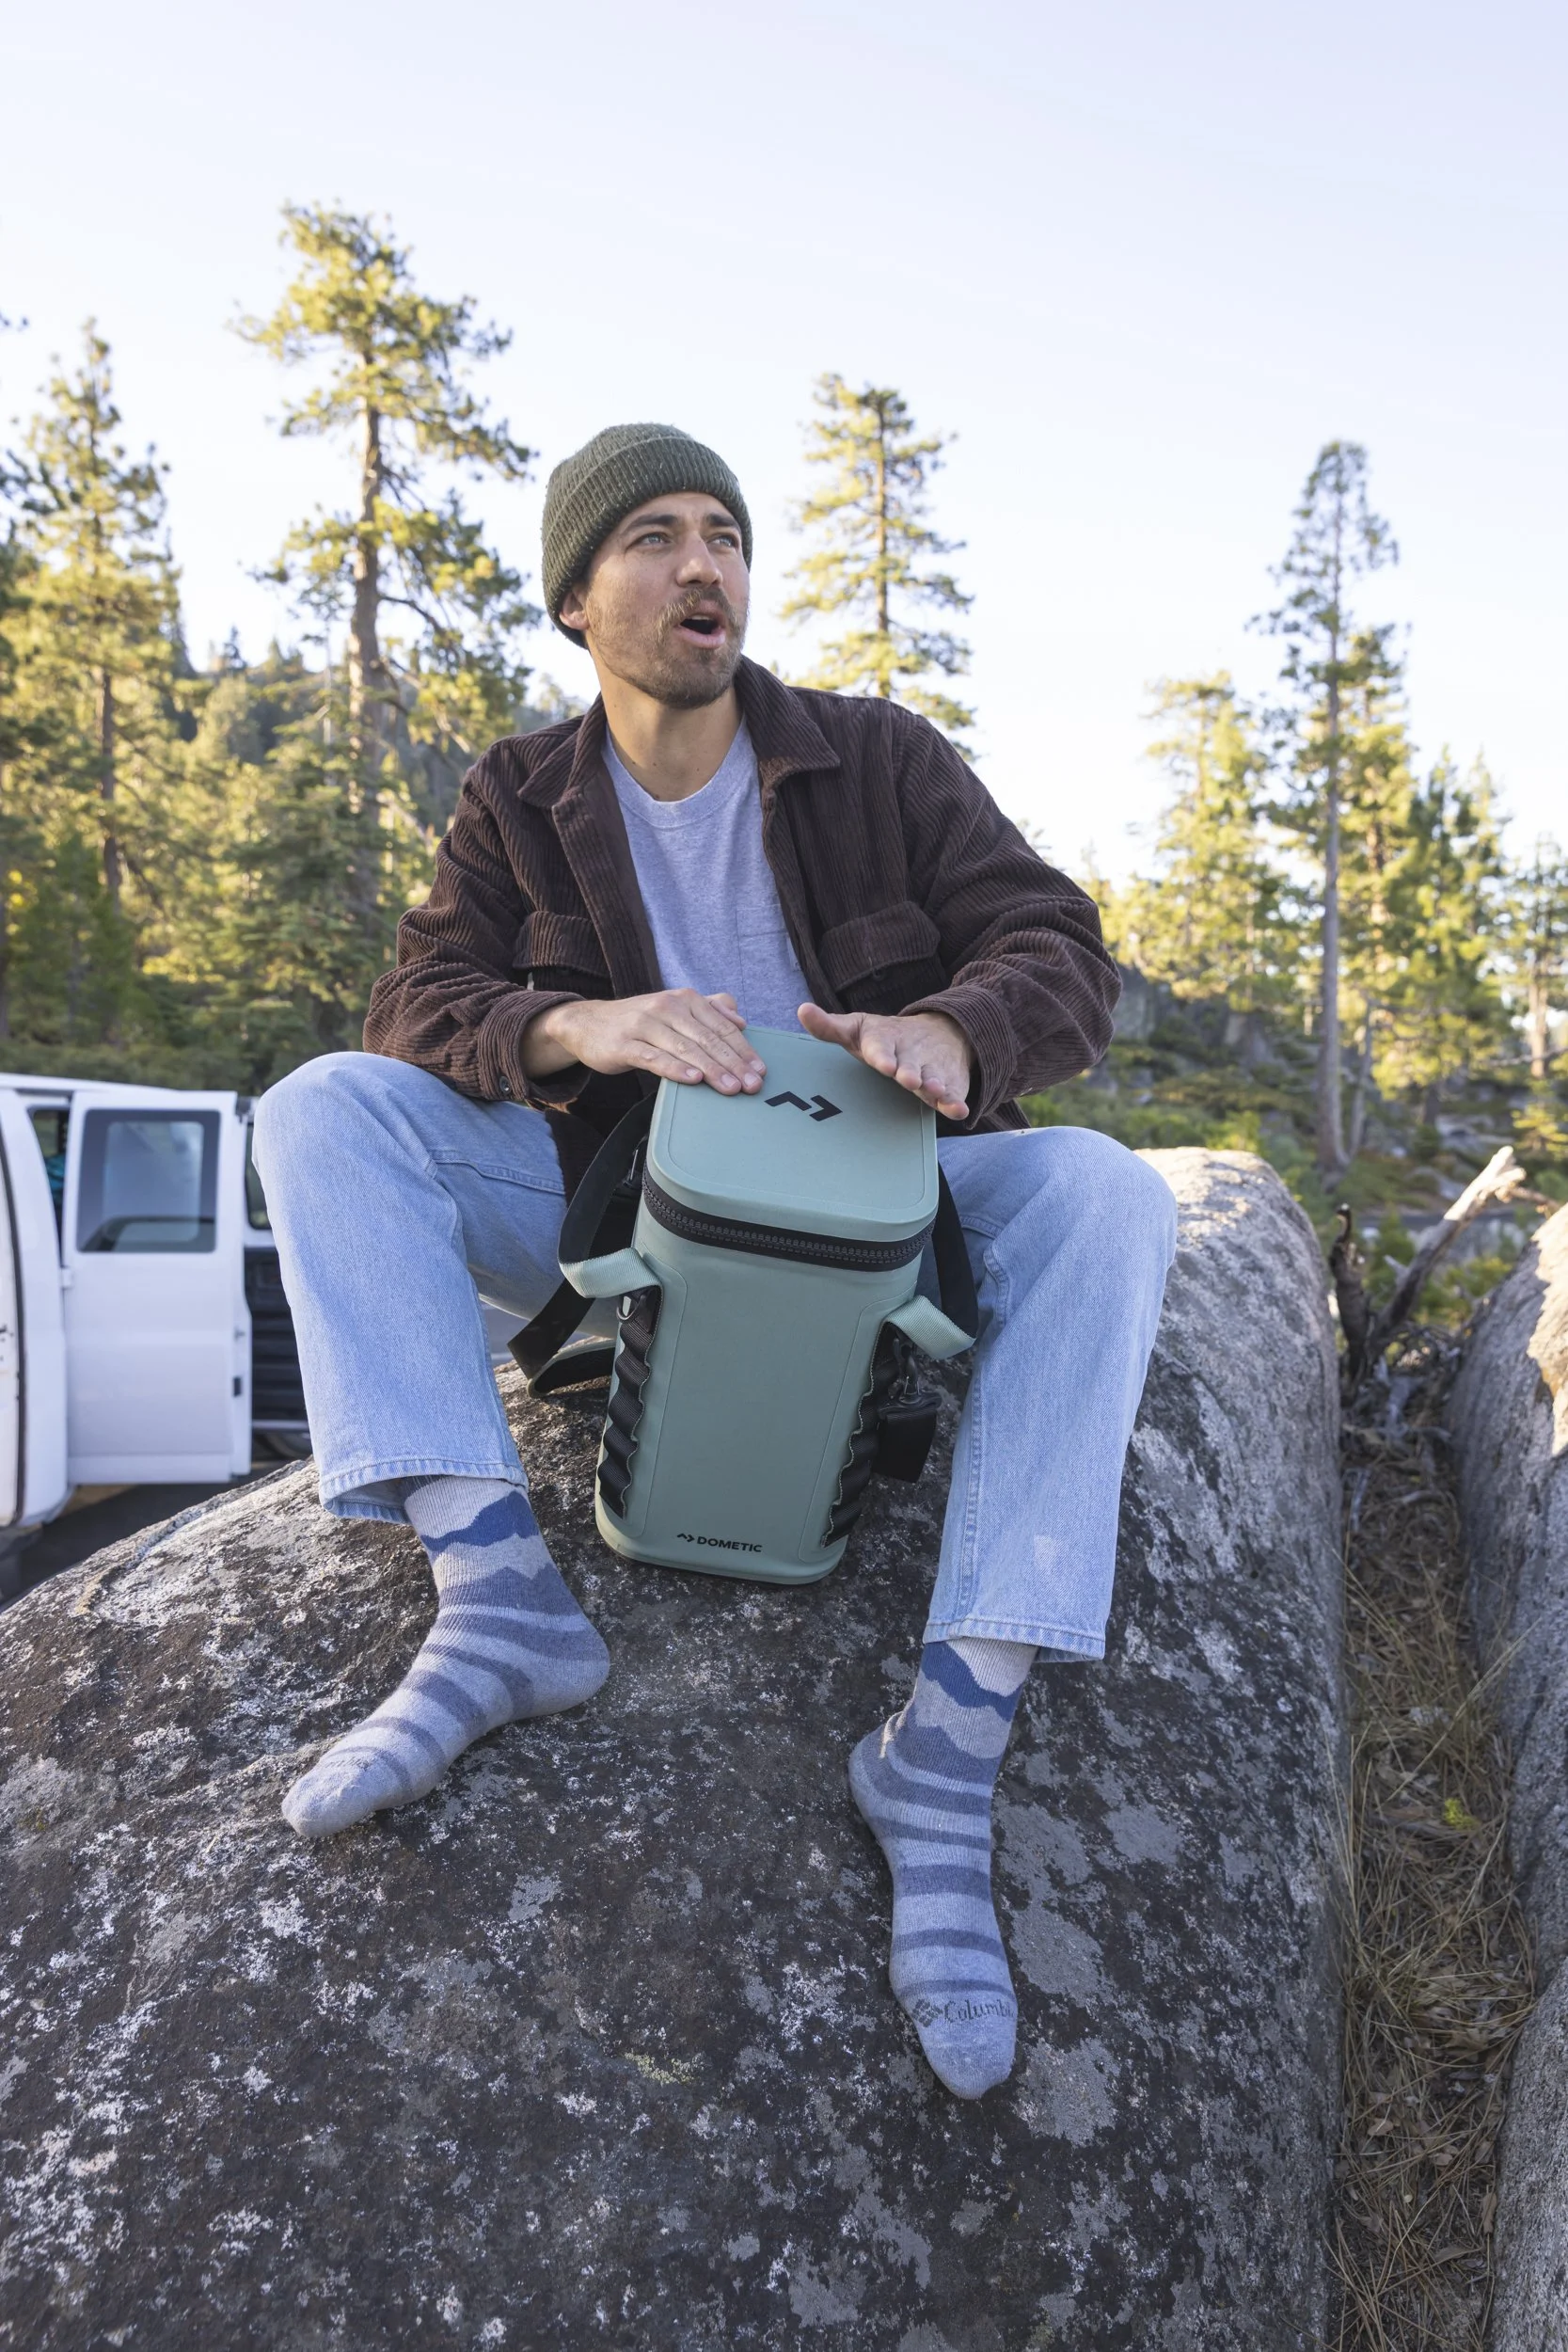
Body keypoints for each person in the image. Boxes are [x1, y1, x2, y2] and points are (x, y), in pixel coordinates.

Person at [253, 422, 1177, 2101]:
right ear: (576, 596)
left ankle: (944, 1761)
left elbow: (1057, 945)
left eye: (727, 535)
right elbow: (413, 1009)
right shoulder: (519, 797)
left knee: (1111, 1201)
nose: (704, 567)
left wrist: (959, 1032)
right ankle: (498, 1606)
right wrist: (575, 1021)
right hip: (616, 1227)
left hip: (889, 1219)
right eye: (656, 537)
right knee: (325, 1111)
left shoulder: (874, 759)